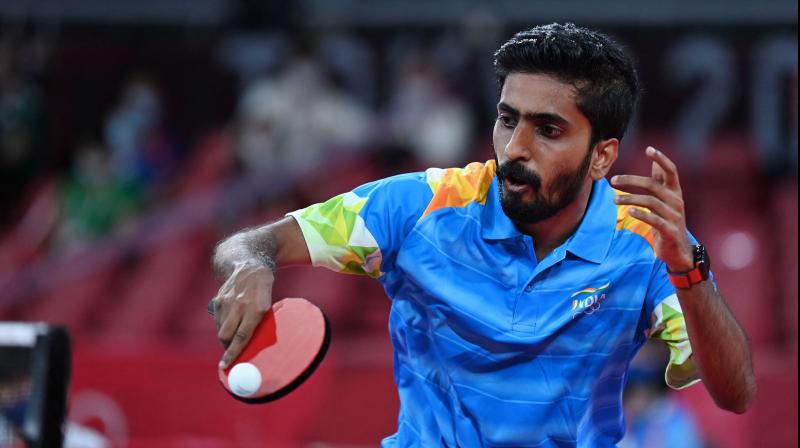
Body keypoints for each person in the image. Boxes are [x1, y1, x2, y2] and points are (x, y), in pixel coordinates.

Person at [210, 23, 757, 447]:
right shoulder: (423, 205)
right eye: (507, 119)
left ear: (602, 156)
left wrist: (689, 268)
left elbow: (734, 394)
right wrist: (254, 265)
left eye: (548, 130)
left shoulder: (640, 243)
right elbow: (251, 240)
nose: (515, 147)